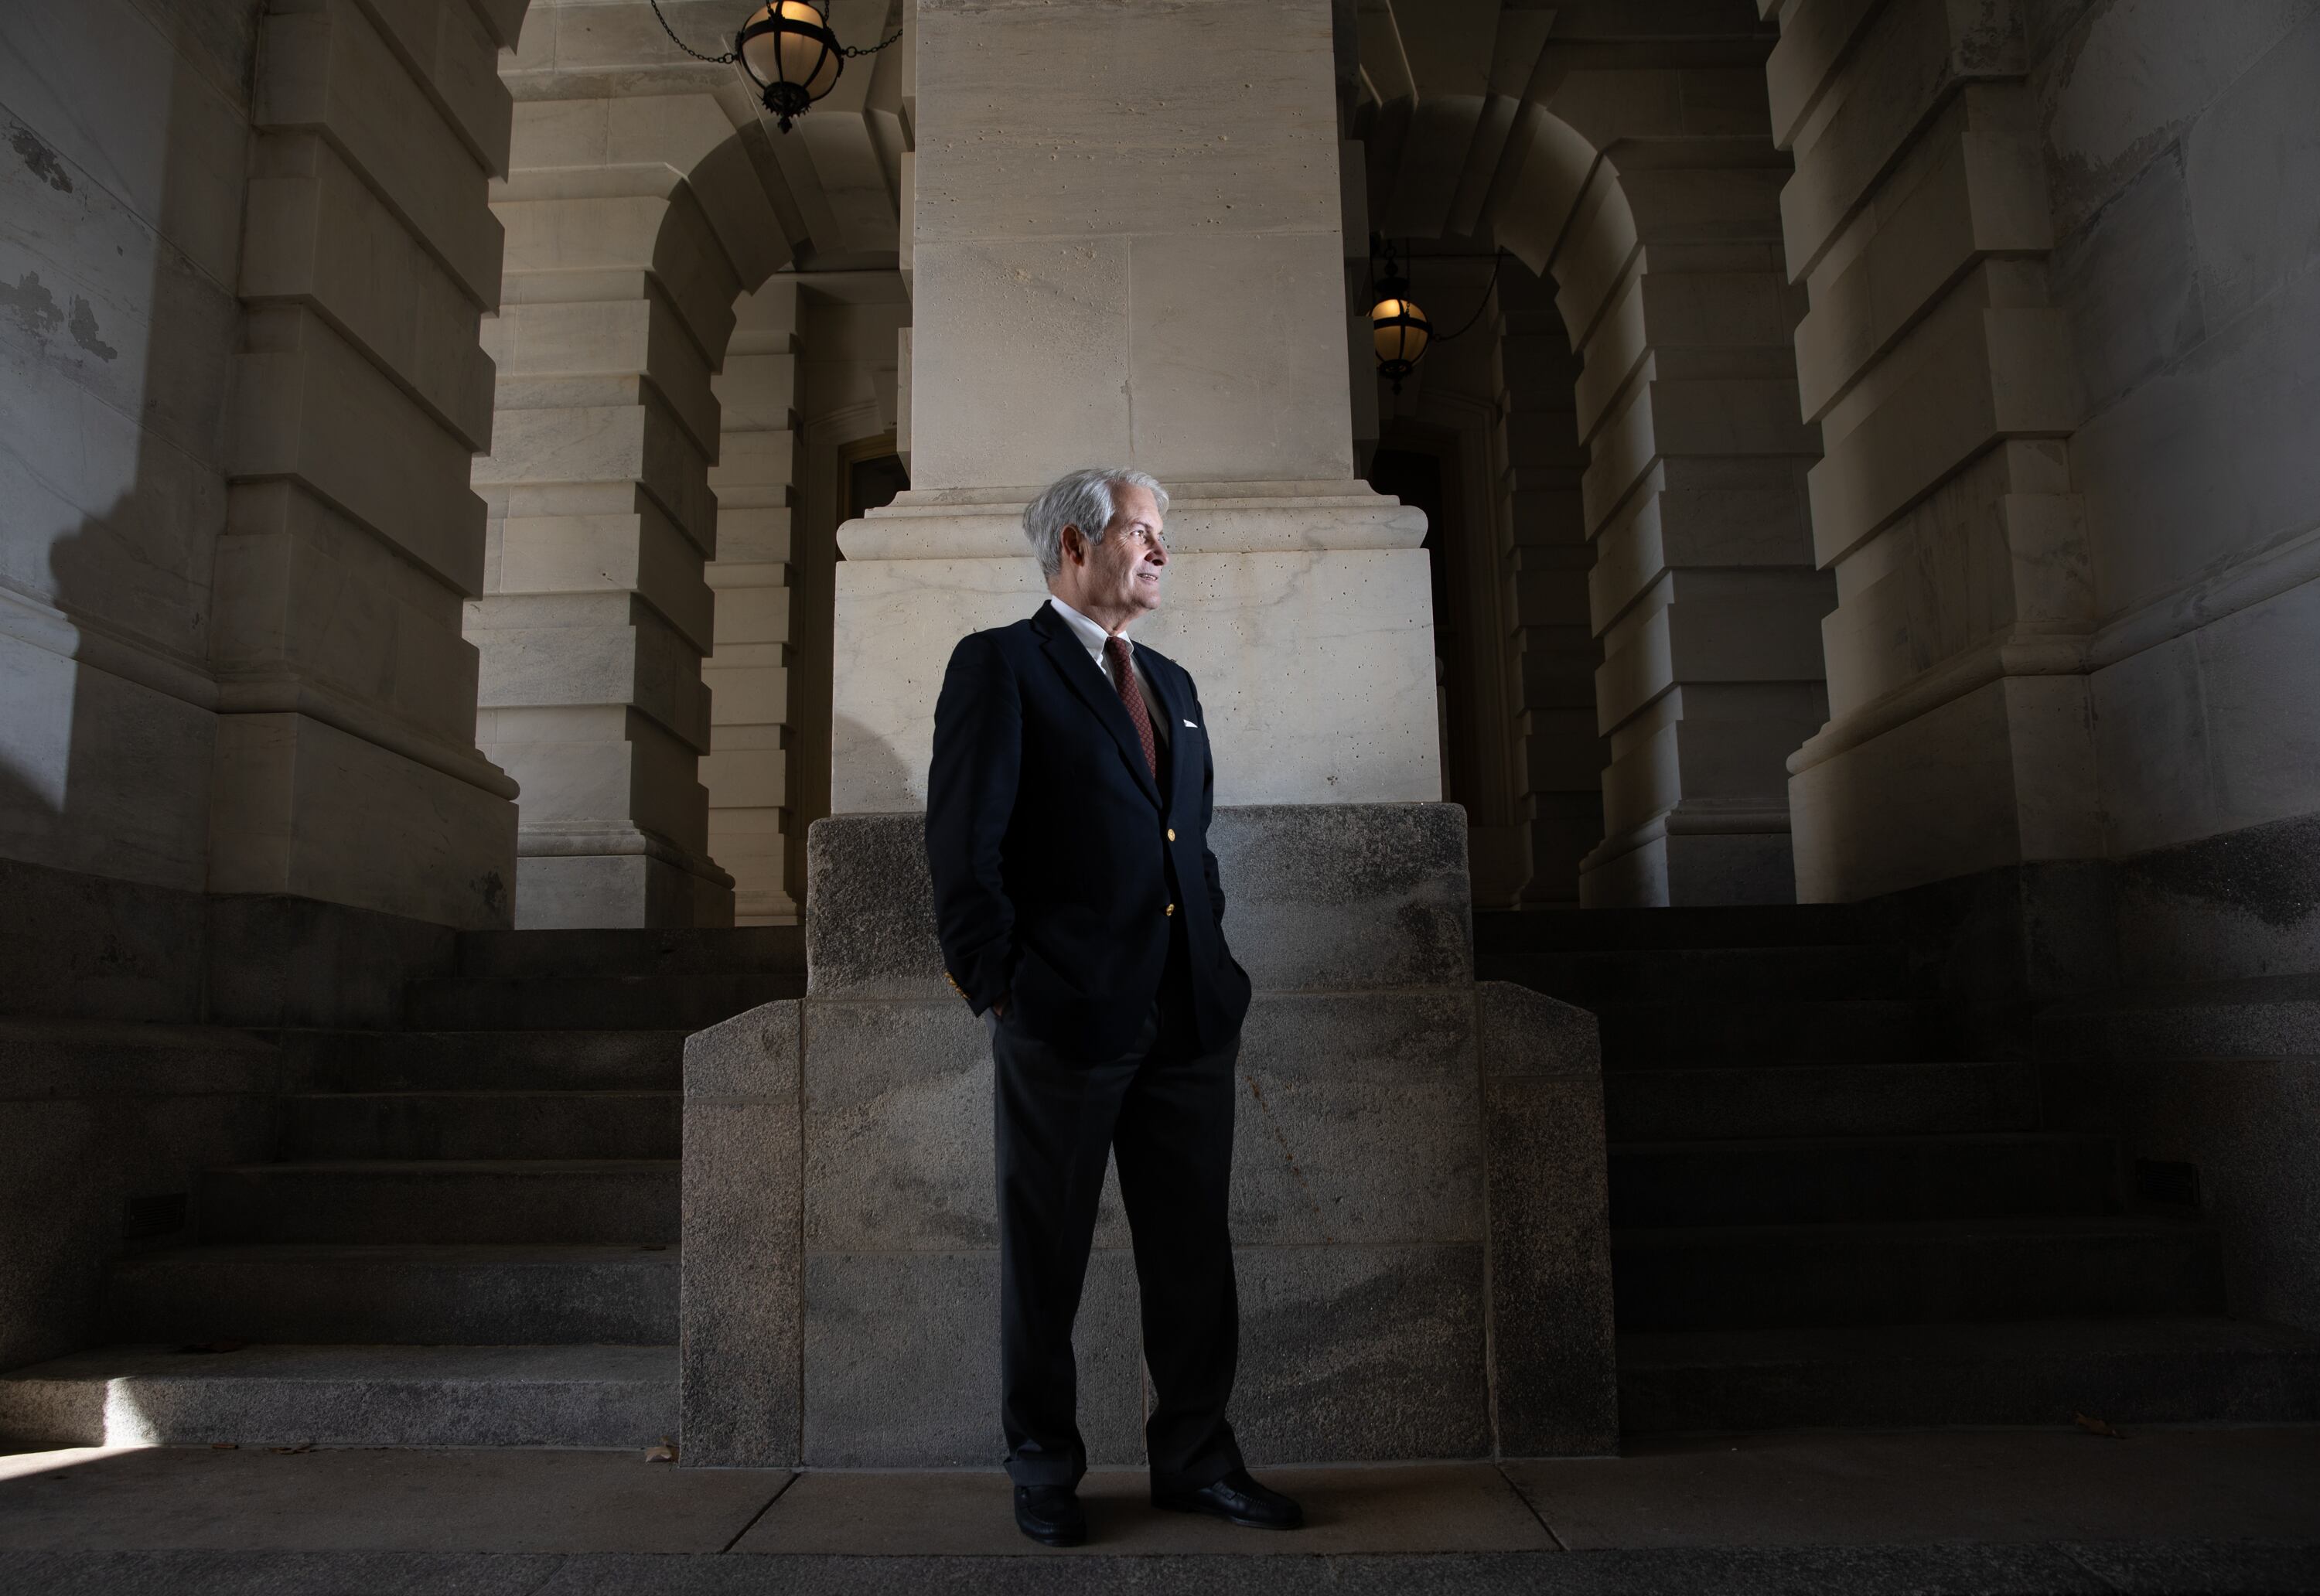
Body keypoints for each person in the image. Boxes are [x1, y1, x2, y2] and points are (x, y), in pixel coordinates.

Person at [924, 466, 1302, 1547]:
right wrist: (1002, 988)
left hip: (1187, 1017)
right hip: (1065, 1019)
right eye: (1143, 531)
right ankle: (1044, 1466)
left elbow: (1192, 843)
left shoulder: (1171, 681)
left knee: (1193, 1255)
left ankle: (1197, 1459)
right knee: (1045, 1256)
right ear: (1076, 548)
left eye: (1162, 532)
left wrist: (1217, 966)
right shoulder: (1001, 666)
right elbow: (963, 850)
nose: (1161, 550)